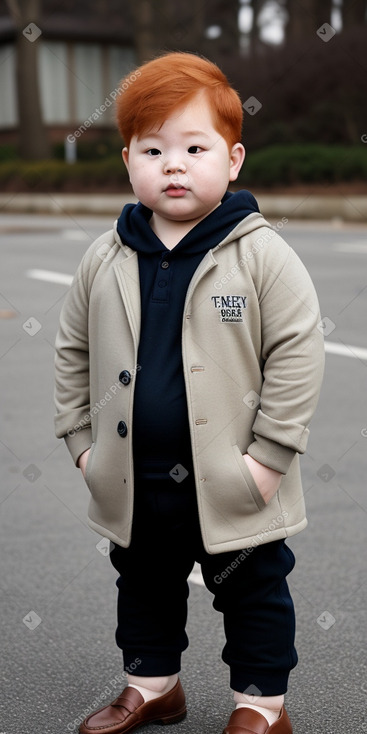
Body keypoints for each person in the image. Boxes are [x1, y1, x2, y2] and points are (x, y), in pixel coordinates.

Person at [54, 51, 325, 734]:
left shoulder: (258, 254)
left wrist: (267, 459)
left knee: (253, 590)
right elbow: (72, 349)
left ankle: (259, 706)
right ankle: (152, 687)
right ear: (128, 162)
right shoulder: (107, 255)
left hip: (232, 473)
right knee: (142, 584)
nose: (172, 164)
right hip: (134, 475)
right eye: (153, 149)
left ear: (231, 160)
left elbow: (296, 353)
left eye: (193, 147)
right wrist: (82, 446)